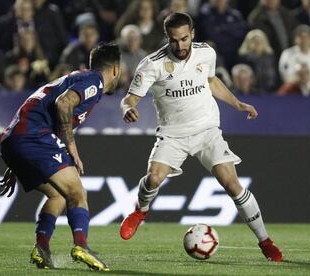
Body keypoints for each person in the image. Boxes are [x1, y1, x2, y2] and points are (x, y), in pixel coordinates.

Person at [119, 12, 283, 262]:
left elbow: (211, 80)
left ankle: (265, 241)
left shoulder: (206, 52)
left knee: (233, 185)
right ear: (167, 38)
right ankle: (140, 211)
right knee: (153, 178)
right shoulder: (152, 64)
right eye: (174, 40)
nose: (180, 45)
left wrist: (238, 104)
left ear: (192, 34)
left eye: (184, 39)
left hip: (207, 131)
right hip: (172, 134)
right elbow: (130, 97)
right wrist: (127, 108)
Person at [0, 43, 121, 271]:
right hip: (33, 136)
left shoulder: (77, 77)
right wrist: (71, 145)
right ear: (115, 69)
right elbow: (63, 103)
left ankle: (41, 247)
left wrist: (17, 162)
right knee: (77, 193)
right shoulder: (94, 80)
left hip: (15, 139)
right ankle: (81, 246)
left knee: (59, 196)